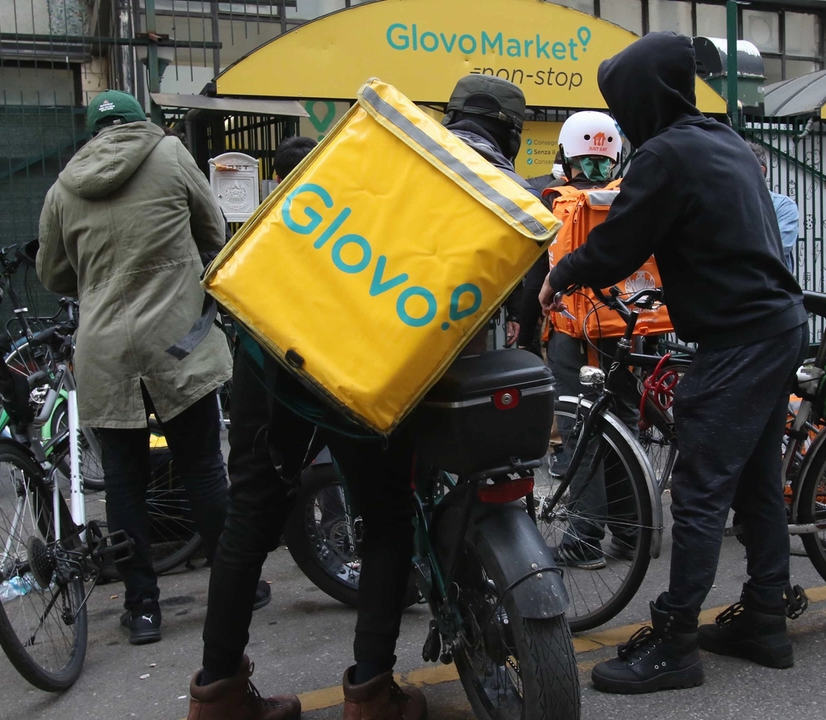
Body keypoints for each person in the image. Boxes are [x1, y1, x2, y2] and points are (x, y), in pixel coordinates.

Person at [184, 75, 536, 720]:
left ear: (450, 115)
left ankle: (218, 694)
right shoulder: (498, 196)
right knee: (386, 515)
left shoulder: (393, 147)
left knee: (249, 517)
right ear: (511, 135)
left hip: (276, 344)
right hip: (367, 367)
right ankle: (371, 693)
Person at [539, 32, 807, 695]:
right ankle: (765, 619)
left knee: (697, 490)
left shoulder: (665, 154)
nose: (622, 114)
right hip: (776, 326)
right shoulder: (724, 142)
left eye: (621, 99)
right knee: (754, 482)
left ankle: (675, 640)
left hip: (739, 339)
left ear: (642, 95)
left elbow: (622, 241)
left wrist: (561, 274)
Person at [37, 90, 257, 647]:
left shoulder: (64, 185)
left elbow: (53, 275)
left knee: (125, 483)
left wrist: (98, 282)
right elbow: (214, 234)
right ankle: (238, 588)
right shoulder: (172, 154)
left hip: (104, 351)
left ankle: (142, 610)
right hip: (177, 342)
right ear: (142, 121)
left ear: (92, 132)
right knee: (203, 467)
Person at [540, 110, 639, 569]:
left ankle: (582, 538)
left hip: (572, 331)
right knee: (625, 423)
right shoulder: (634, 199)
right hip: (630, 327)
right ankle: (631, 530)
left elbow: (535, 274)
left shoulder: (556, 203)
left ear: (564, 155)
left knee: (582, 430)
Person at [749, 144, 800, 275]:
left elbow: (775, 252)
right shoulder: (727, 204)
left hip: (770, 289)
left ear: (761, 171)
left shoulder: (783, 206)